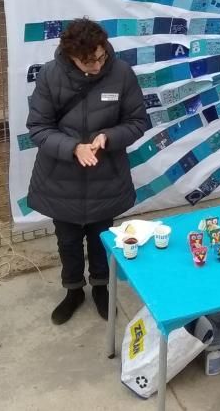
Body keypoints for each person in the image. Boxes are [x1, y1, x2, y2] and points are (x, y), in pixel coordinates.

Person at [26, 18, 150, 325]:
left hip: (105, 177)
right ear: (70, 55)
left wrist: (107, 138)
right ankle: (72, 291)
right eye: (88, 61)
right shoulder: (50, 75)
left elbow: (137, 122)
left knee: (101, 239)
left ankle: (100, 288)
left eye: (100, 56)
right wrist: (73, 147)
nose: (96, 65)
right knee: (67, 241)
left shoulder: (121, 73)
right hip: (60, 179)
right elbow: (38, 128)